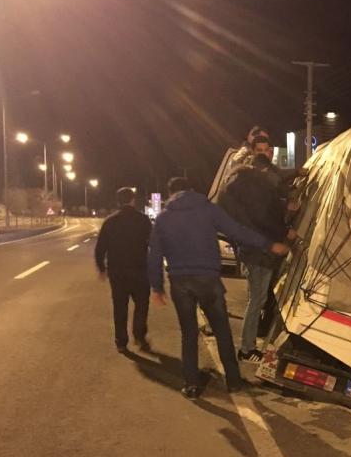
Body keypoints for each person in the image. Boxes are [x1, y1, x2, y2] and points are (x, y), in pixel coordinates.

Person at [148, 177, 289, 399]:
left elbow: (154, 255)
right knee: (222, 330)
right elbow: (237, 231)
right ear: (191, 190)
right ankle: (233, 381)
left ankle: (191, 385)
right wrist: (269, 244)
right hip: (209, 279)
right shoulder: (207, 209)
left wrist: (157, 288)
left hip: (180, 282)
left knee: (188, 334)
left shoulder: (163, 218)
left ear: (170, 193)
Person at [218, 154, 295, 362]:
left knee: (256, 299)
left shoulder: (234, 185)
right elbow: (262, 217)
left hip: (248, 249)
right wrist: (283, 233)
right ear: (262, 169)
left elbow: (249, 218)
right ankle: (246, 349)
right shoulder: (253, 186)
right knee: (257, 301)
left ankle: (248, 345)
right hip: (260, 251)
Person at [94, 187, 152, 352]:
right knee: (142, 304)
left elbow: (100, 248)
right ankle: (139, 336)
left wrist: (101, 268)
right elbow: (154, 243)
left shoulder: (110, 222)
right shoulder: (143, 220)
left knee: (120, 306)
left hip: (117, 272)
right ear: (133, 200)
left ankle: (121, 342)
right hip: (140, 270)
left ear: (118, 202)